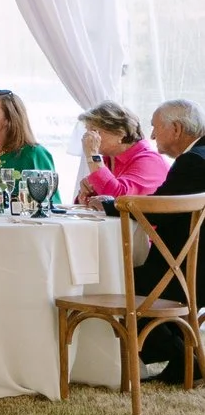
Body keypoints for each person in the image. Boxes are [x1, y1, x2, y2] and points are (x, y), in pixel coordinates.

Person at [134, 100, 205, 377]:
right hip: (194, 268)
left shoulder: (193, 161)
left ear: (175, 129)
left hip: (190, 274)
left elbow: (159, 209)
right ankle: (183, 358)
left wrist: (110, 205)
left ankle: (178, 354)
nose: (151, 136)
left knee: (114, 280)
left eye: (155, 127)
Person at [77, 101, 167, 205]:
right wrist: (86, 195)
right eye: (87, 131)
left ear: (121, 133)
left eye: (95, 131)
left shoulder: (150, 160)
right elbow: (100, 203)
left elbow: (118, 199)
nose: (88, 136)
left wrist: (92, 155)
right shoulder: (109, 159)